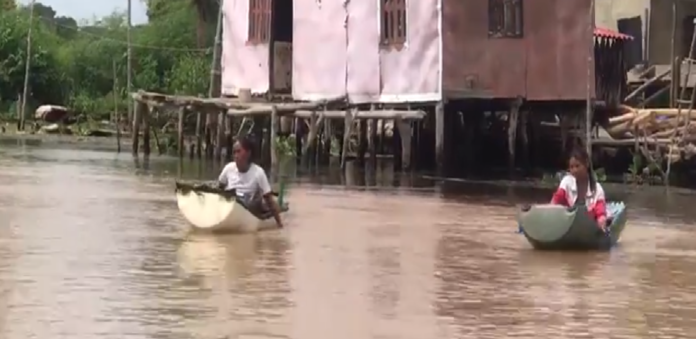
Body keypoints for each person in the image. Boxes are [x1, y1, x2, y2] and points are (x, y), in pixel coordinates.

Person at [218, 136, 284, 228]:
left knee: (256, 202)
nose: (236, 156)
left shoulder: (258, 172)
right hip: (230, 204)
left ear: (248, 153)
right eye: (234, 152)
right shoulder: (228, 168)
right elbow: (219, 188)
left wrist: (279, 224)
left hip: (249, 206)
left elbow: (269, 200)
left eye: (239, 151)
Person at [551, 148, 608, 231]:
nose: (574, 170)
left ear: (587, 164)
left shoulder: (597, 189)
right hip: (567, 223)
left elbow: (600, 211)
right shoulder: (567, 182)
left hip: (588, 226)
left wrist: (602, 222)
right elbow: (556, 200)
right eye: (571, 167)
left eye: (577, 166)